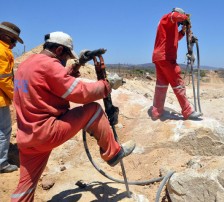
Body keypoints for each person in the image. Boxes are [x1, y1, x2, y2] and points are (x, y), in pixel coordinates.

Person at [11, 31, 135, 201]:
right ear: (59, 50)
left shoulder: (27, 65)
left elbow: (52, 80)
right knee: (93, 109)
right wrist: (107, 85)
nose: (64, 62)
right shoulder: (49, 66)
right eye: (66, 57)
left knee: (25, 186)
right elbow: (80, 92)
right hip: (46, 131)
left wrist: (77, 64)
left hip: (27, 136)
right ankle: (112, 153)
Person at [151, 7, 202, 120]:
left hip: (159, 57)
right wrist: (186, 18)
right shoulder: (168, 17)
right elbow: (174, 15)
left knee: (162, 85)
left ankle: (156, 111)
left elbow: (174, 38)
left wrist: (183, 32)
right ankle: (187, 111)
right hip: (166, 57)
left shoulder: (169, 26)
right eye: (179, 22)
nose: (179, 24)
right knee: (178, 82)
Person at [0, 21, 24, 173]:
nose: (15, 44)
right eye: (13, 40)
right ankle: (2, 163)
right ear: (4, 36)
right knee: (4, 130)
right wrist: (18, 96)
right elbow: (4, 78)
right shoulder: (3, 52)